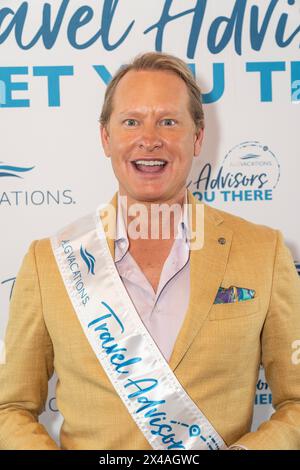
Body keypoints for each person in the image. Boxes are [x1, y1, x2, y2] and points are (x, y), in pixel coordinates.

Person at [0, 52, 300, 451]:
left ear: (197, 137)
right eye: (131, 121)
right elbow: (10, 407)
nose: (149, 138)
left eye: (168, 121)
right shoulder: (49, 262)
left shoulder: (263, 251)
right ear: (106, 137)